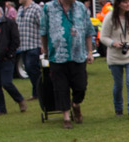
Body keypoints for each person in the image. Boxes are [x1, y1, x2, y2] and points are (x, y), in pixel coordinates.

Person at [40, 0, 96, 128]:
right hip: (57, 56)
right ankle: (66, 118)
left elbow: (88, 31)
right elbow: (43, 32)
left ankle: (76, 104)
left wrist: (89, 52)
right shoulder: (48, 8)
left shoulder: (81, 7)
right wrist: (46, 51)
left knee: (81, 86)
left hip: (78, 56)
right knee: (61, 88)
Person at [101, 0, 129, 119]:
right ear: (118, 4)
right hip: (115, 56)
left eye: (128, 2)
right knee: (118, 84)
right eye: (124, 2)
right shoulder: (110, 17)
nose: (127, 4)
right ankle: (118, 108)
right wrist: (113, 43)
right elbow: (103, 37)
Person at [16, 0, 41, 100]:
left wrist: (43, 44)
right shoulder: (20, 9)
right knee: (28, 69)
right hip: (23, 46)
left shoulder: (36, 9)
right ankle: (36, 93)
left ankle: (40, 91)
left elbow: (43, 26)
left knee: (32, 68)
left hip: (34, 45)